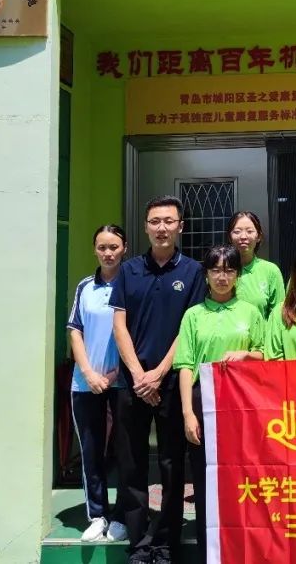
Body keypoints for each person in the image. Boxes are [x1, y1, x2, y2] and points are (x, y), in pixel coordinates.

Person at [110, 195, 207, 564]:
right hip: (132, 385)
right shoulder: (129, 270)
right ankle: (138, 544)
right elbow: (119, 326)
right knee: (132, 464)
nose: (162, 228)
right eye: (155, 221)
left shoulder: (194, 272)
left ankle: (166, 544)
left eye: (169, 221)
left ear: (180, 226)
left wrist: (159, 373)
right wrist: (139, 375)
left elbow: (188, 329)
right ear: (146, 227)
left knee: (171, 465)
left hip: (170, 383)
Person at [175, 245, 266, 554]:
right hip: (204, 402)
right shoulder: (193, 315)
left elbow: (266, 355)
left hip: (241, 405)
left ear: (237, 275)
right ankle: (210, 552)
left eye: (229, 270)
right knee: (206, 478)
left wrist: (246, 355)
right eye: (216, 270)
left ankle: (244, 550)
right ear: (206, 275)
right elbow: (185, 365)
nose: (222, 277)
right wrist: (188, 413)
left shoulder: (250, 312)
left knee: (242, 477)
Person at [68, 224, 130, 543]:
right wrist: (89, 373)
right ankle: (97, 514)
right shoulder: (85, 287)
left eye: (114, 247)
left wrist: (114, 373)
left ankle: (122, 515)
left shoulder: (131, 282)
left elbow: (134, 331)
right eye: (102, 247)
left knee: (125, 451)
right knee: (91, 450)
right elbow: (75, 330)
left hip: (122, 382)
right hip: (86, 383)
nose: (108, 253)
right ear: (95, 250)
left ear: (124, 248)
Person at [227, 211, 285, 318]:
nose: (243, 236)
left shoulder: (270, 271)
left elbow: (278, 316)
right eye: (237, 231)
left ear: (258, 236)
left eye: (249, 231)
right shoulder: (220, 271)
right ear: (230, 237)